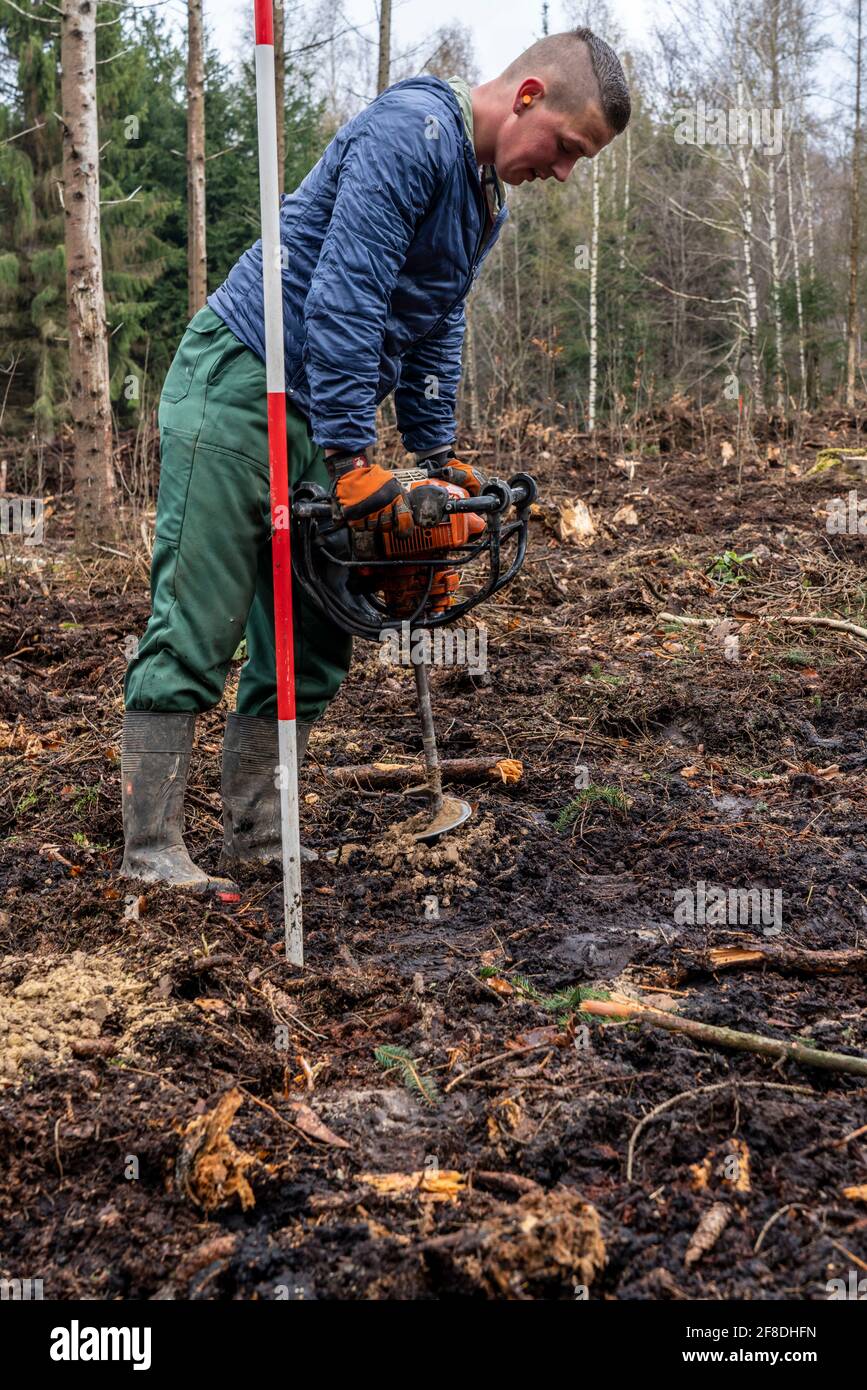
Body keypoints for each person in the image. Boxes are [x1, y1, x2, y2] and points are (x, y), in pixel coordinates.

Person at [120, 27, 631, 891]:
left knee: (314, 633)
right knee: (201, 618)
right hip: (245, 377)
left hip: (315, 406)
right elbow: (345, 290)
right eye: (566, 149)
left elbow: (435, 320)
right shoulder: (413, 134)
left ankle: (256, 833)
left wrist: (438, 451)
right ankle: (150, 851)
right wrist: (358, 456)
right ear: (529, 97)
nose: (561, 172)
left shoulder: (482, 201)